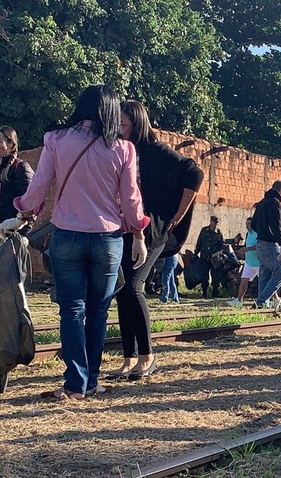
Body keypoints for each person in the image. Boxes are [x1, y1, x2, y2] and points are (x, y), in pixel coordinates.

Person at [14, 84, 149, 400]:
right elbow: (131, 201)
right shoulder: (123, 148)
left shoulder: (56, 140)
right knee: (98, 311)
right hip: (108, 239)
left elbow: (40, 187)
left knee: (71, 310)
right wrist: (139, 234)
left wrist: (23, 208)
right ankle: (92, 382)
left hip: (67, 235)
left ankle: (76, 385)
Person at [112, 100, 203, 381]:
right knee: (122, 290)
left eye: (124, 124)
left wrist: (177, 215)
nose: (120, 129)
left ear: (137, 123)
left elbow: (194, 173)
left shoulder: (156, 151)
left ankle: (147, 356)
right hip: (126, 228)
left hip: (153, 229)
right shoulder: (120, 149)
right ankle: (129, 358)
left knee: (135, 286)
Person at [252, 180, 281, 309]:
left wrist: (262, 232)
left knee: (265, 274)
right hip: (271, 244)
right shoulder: (275, 203)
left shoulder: (262, 203)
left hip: (260, 243)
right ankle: (261, 301)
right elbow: (276, 225)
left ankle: (262, 305)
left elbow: (253, 224)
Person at [228, 217, 260, 307]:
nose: (247, 226)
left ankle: (274, 299)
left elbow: (259, 246)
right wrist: (243, 251)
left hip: (258, 263)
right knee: (243, 280)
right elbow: (247, 245)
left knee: (265, 282)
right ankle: (239, 300)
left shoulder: (259, 233)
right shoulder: (247, 234)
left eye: (249, 224)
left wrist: (248, 249)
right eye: (246, 224)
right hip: (249, 262)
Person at [195, 215, 224, 298]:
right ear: (211, 222)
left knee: (215, 276)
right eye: (214, 222)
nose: (215, 224)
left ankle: (215, 292)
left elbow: (222, 246)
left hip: (214, 259)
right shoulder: (204, 230)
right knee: (204, 275)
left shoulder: (219, 233)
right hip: (204, 257)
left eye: (217, 223)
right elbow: (199, 242)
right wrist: (196, 252)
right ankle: (204, 292)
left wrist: (218, 254)